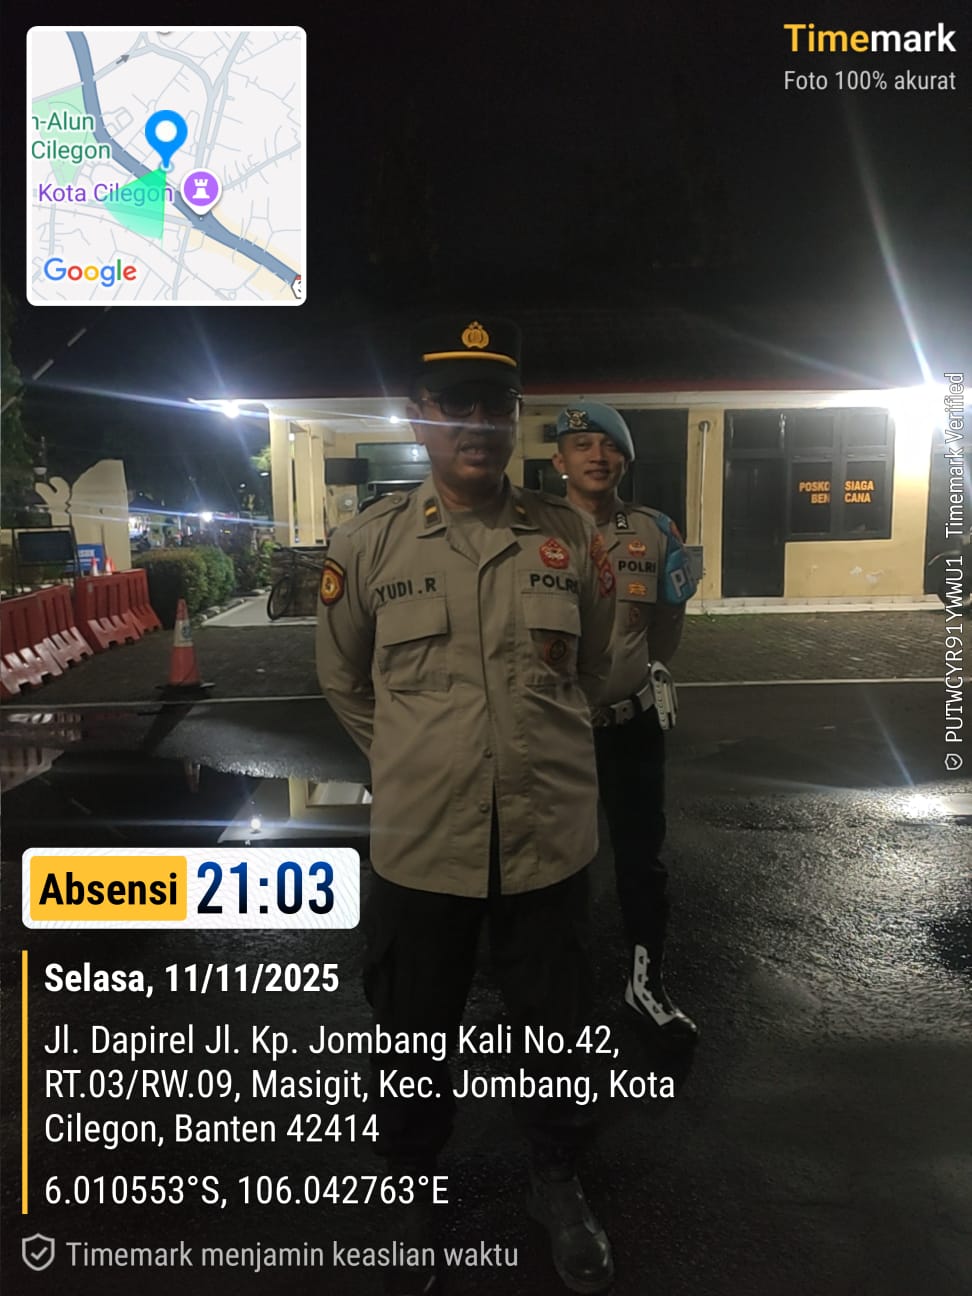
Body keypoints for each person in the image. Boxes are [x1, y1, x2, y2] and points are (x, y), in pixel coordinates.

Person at [317, 316, 617, 1295]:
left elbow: (597, 667)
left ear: (514, 418)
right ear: (420, 417)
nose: (477, 425)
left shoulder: (569, 536)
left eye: (496, 405)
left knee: (555, 1029)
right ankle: (413, 1187)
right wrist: (419, 761)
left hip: (546, 836)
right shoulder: (369, 543)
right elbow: (344, 680)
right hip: (422, 842)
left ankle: (557, 1177)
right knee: (413, 1031)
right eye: (456, 406)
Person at [553, 403, 698, 1045]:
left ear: (625, 459)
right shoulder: (531, 531)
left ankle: (645, 985)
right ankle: (560, 993)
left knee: (642, 861)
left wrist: (631, 679)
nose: (597, 456)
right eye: (582, 444)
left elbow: (664, 633)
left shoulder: (655, 531)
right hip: (555, 733)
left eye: (609, 446)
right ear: (559, 459)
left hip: (629, 726)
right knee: (554, 866)